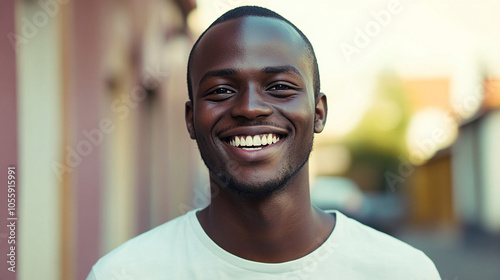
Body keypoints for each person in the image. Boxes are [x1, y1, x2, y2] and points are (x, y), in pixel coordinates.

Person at [87, 6, 441, 279]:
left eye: (279, 87)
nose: (250, 108)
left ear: (318, 113)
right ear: (191, 120)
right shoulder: (126, 273)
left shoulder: (402, 271)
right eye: (221, 90)